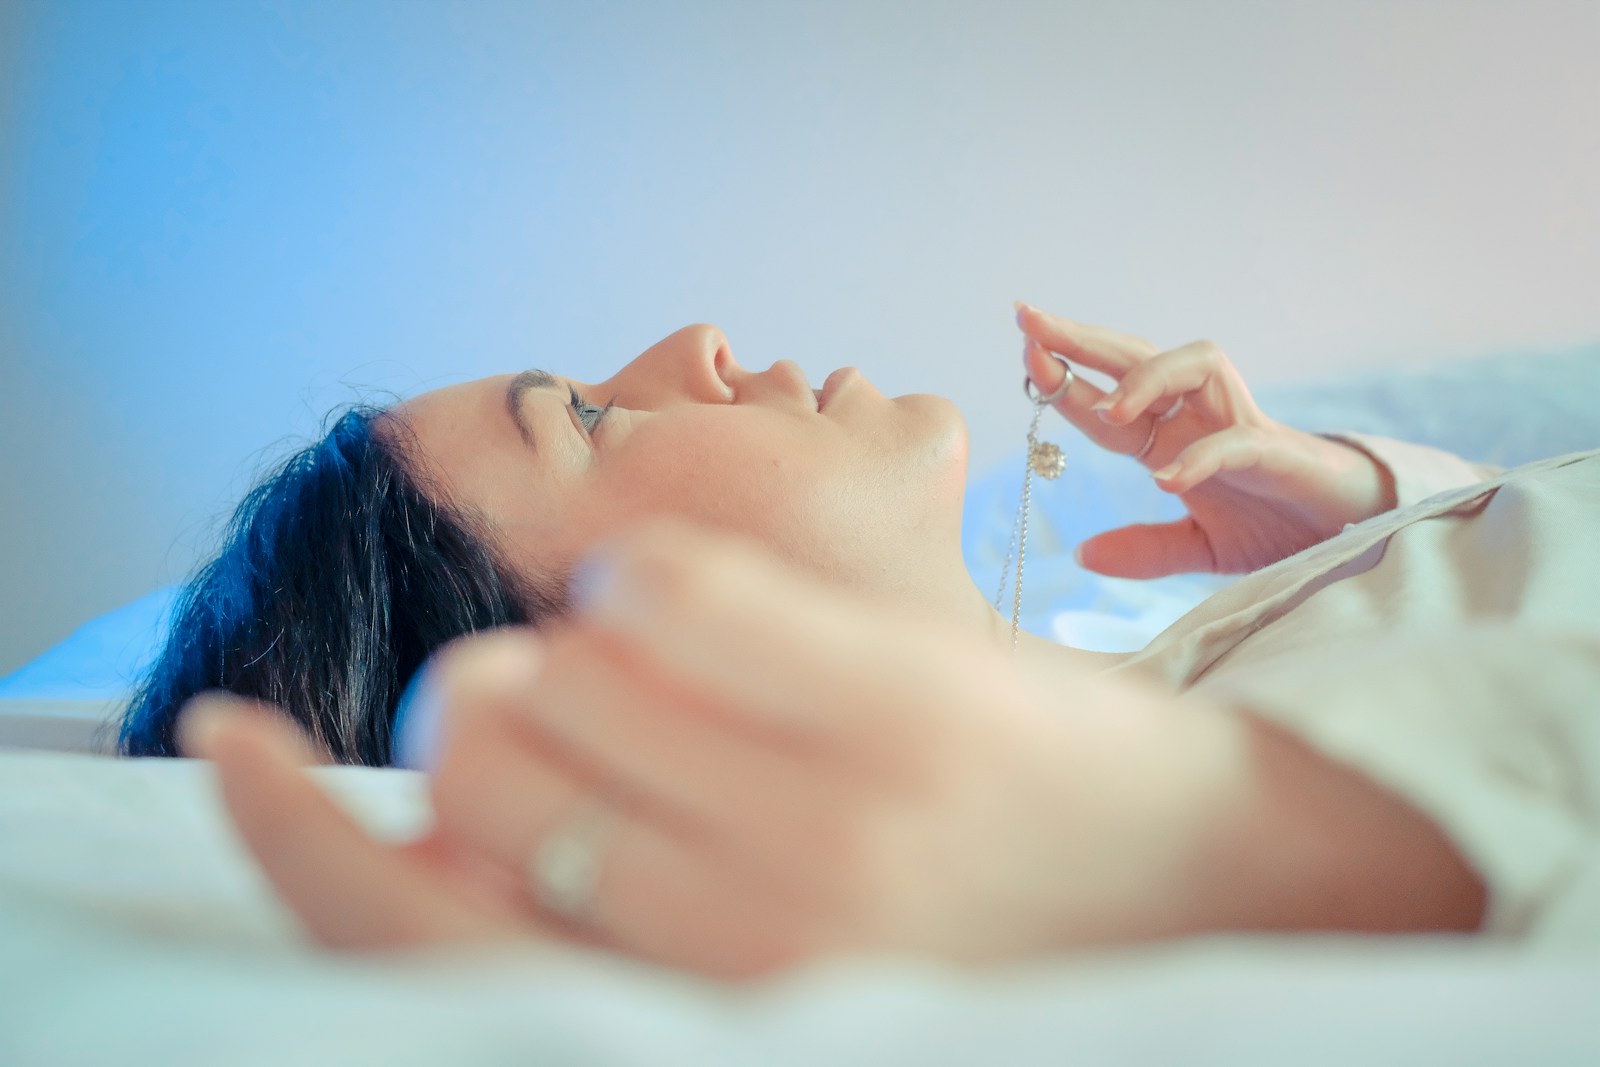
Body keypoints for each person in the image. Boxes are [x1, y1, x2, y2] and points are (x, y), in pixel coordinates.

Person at [176, 304, 1599, 978]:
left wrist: (1366, 517)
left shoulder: (1200, 639)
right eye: (592, 417)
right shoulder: (1229, 805)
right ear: (607, 677)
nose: (698, 341)